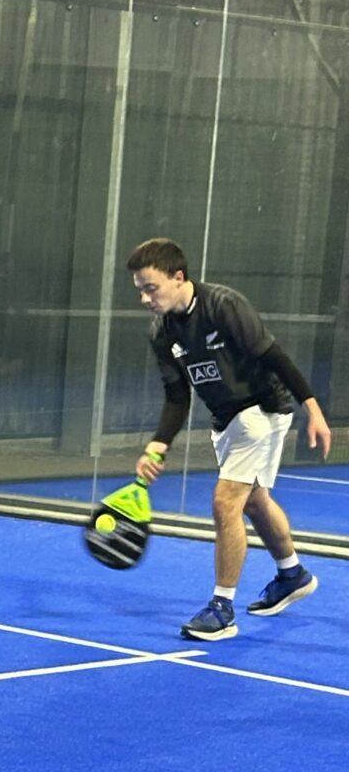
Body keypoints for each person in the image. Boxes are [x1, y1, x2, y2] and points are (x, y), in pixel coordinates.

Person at [126, 238, 332, 641]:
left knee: (226, 502)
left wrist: (313, 408)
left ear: (178, 277)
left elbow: (274, 356)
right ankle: (292, 574)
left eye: (151, 288)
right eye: (140, 291)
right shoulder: (162, 332)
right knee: (254, 501)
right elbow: (177, 396)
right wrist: (158, 445)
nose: (145, 298)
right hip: (226, 419)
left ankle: (222, 609)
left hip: (262, 410)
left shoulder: (224, 306)